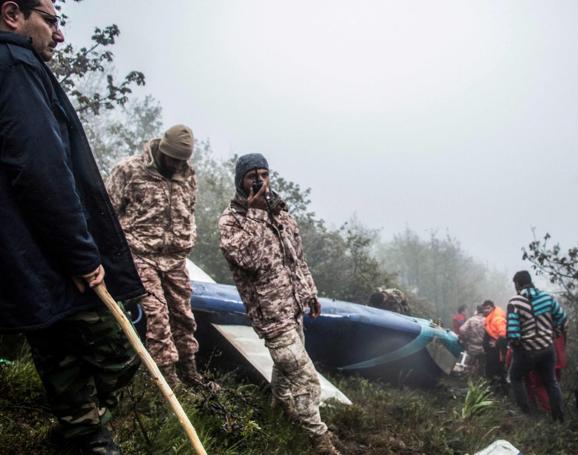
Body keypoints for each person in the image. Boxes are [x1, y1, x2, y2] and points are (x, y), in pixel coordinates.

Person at [0, 1, 145, 453]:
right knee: (117, 347)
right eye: (51, 19)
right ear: (12, 15)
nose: (59, 35)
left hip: (29, 254)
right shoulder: (16, 64)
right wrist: (81, 254)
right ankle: (82, 431)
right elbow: (41, 167)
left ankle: (79, 433)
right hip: (49, 253)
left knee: (57, 343)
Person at [218, 154, 340, 455]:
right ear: (240, 181)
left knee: (286, 371)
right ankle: (320, 442)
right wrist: (256, 213)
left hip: (293, 306)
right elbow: (249, 260)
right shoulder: (232, 221)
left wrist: (309, 293)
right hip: (271, 316)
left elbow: (297, 258)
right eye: (252, 176)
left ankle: (279, 411)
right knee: (307, 380)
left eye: (264, 174)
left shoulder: (282, 214)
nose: (259, 181)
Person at [106, 125, 213, 389]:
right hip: (140, 253)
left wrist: (188, 237)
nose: (177, 164)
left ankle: (190, 373)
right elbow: (105, 211)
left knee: (184, 317)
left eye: (182, 160)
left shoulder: (188, 176)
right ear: (163, 150)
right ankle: (167, 380)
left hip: (175, 259)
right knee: (157, 315)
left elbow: (189, 209)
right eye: (173, 158)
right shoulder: (129, 170)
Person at [507, 270, 566, 421]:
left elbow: (513, 333)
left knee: (515, 377)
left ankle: (526, 414)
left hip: (527, 350)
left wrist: (518, 348)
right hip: (547, 348)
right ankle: (559, 417)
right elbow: (562, 318)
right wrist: (554, 334)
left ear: (518, 284)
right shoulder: (547, 298)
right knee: (551, 381)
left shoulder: (515, 302)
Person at [481, 299, 508, 392]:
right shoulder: (490, 318)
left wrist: (496, 344)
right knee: (493, 370)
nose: (485, 310)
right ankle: (497, 389)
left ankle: (500, 391)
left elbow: (503, 334)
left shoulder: (497, 318)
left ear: (493, 308)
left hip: (497, 351)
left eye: (488, 308)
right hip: (492, 350)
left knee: (497, 371)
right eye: (484, 309)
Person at [458, 305, 485, 374]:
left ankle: (467, 377)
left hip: (472, 346)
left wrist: (466, 337)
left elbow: (462, 329)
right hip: (483, 347)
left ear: (477, 311)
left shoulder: (471, 320)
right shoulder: (487, 320)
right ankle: (480, 379)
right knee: (482, 365)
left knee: (469, 364)